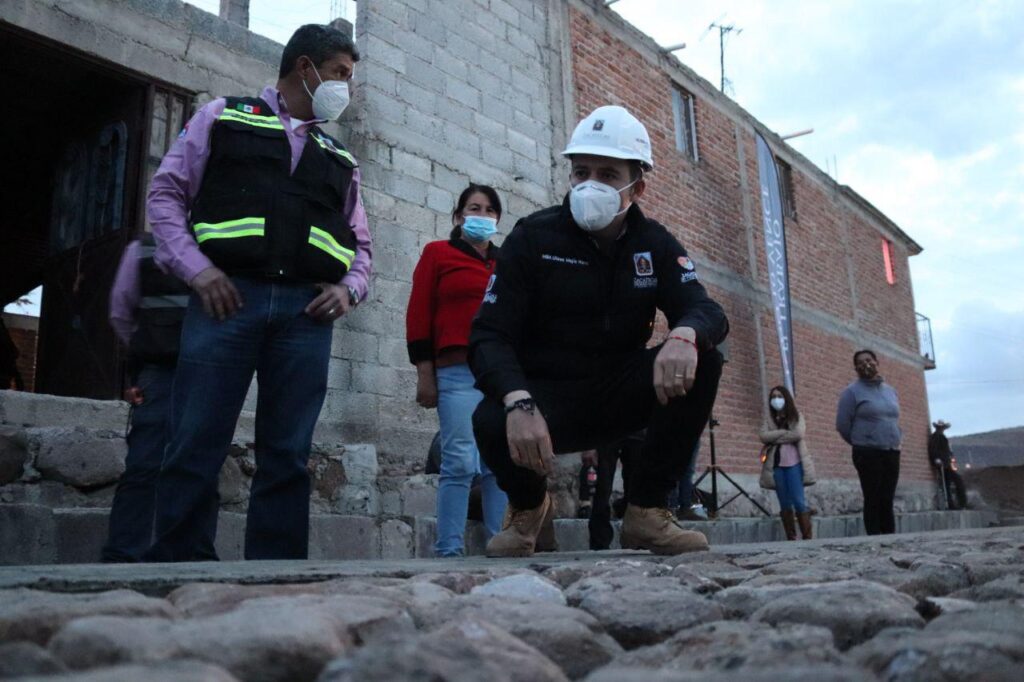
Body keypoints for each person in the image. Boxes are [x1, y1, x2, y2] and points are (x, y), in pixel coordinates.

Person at [144, 24, 372, 561]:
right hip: (226, 301)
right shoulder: (223, 116)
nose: (346, 88)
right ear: (305, 68)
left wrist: (350, 290)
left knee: (288, 454)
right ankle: (179, 568)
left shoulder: (339, 158)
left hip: (306, 316)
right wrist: (197, 270)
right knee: (195, 440)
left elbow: (361, 245)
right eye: (340, 73)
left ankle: (276, 574)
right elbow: (166, 194)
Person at [469, 105, 729, 558]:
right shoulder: (533, 238)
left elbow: (704, 309)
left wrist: (685, 334)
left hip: (618, 393)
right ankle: (530, 509)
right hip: (546, 398)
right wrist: (519, 400)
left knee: (705, 359)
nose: (591, 185)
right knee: (490, 417)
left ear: (637, 187)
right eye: (581, 172)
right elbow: (489, 335)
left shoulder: (654, 243)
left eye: (608, 175)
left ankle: (647, 511)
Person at [406, 184, 509, 557]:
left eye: (489, 210)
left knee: (499, 463)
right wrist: (425, 373)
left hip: (498, 375)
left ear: (497, 219)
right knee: (460, 461)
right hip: (456, 371)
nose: (482, 215)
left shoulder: (506, 262)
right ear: (458, 216)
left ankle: (499, 545)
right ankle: (448, 550)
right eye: (473, 208)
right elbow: (419, 313)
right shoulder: (438, 253)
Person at [102, 235, 218, 562]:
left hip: (194, 371)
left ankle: (137, 555)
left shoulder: (144, 248)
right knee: (154, 464)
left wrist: (148, 349)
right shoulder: (144, 249)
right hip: (176, 371)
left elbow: (120, 313)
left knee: (175, 466)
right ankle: (130, 557)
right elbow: (121, 311)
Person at [836, 349, 902, 535]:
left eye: (869, 360)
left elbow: (893, 418)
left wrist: (897, 438)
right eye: (860, 362)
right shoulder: (851, 392)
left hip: (891, 451)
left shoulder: (890, 391)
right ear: (856, 368)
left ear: (877, 362)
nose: (866, 364)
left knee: (887, 498)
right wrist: (861, 441)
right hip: (867, 453)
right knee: (873, 497)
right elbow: (842, 425)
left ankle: (889, 538)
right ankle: (874, 538)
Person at [758, 385, 816, 540]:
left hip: (794, 463)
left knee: (798, 500)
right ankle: (791, 537)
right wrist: (784, 433)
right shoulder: (769, 419)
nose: (776, 400)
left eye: (779, 396)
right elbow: (763, 436)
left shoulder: (796, 416)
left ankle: (807, 536)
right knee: (784, 502)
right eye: (773, 397)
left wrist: (775, 437)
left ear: (786, 398)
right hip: (776, 465)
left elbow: (798, 434)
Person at [928, 420, 967, 510]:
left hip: (946, 464)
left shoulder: (942, 437)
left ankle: (953, 504)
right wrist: (936, 459)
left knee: (948, 484)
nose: (941, 429)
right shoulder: (936, 437)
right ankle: (959, 503)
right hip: (943, 464)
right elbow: (933, 450)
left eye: (942, 427)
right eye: (940, 427)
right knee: (954, 481)